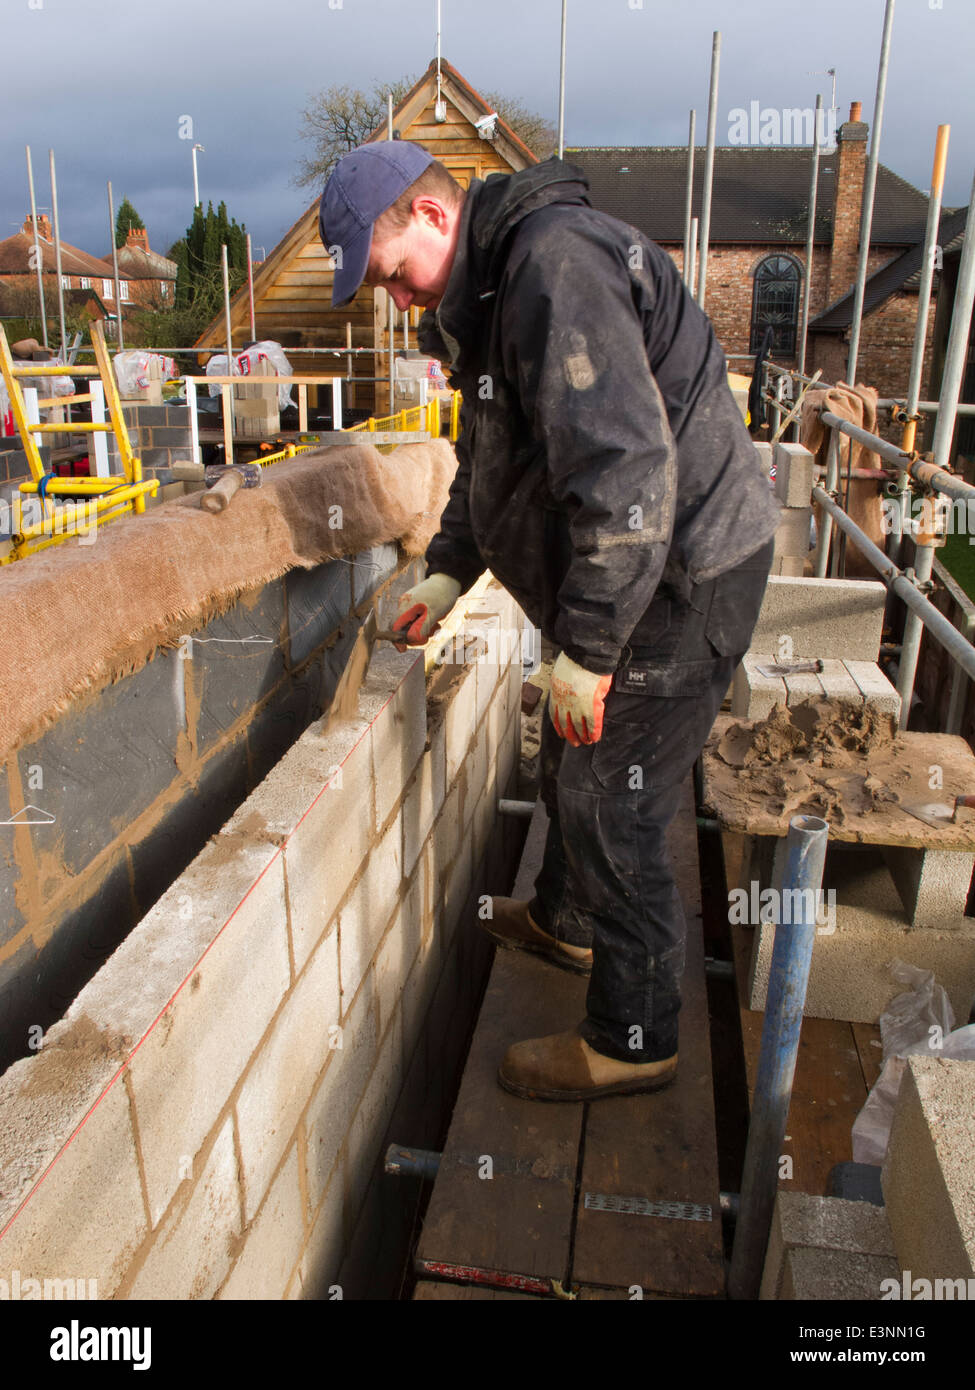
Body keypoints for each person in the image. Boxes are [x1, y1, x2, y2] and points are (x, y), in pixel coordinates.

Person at [320, 140, 780, 1102]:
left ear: (435, 218)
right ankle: (572, 923)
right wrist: (447, 570)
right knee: (571, 758)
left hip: (683, 574)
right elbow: (492, 454)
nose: (397, 302)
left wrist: (593, 648)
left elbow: (623, 475)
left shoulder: (553, 269)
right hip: (640, 569)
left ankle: (635, 1035)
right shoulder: (490, 292)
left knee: (613, 797)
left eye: (394, 275)